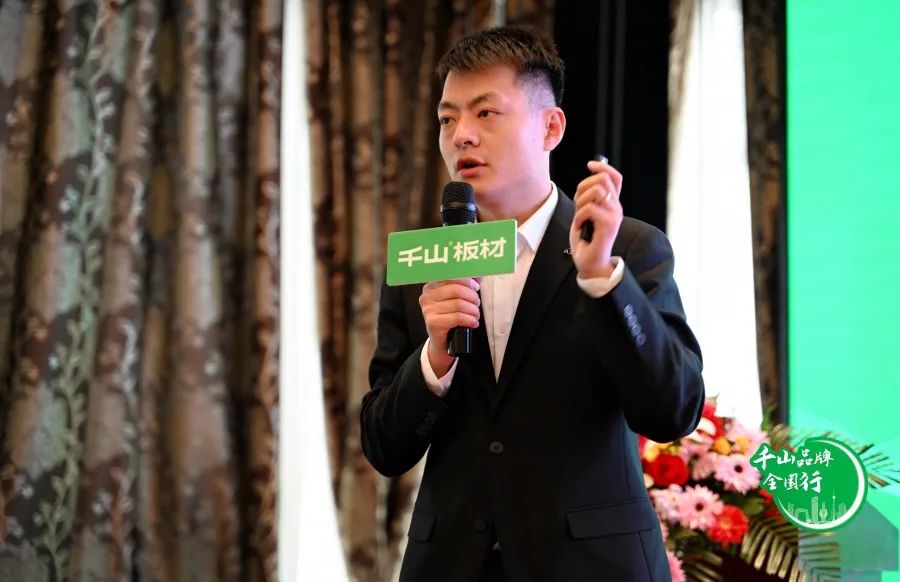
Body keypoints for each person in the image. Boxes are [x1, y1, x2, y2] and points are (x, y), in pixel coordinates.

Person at [361, 26, 704, 582]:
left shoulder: (626, 247)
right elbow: (383, 446)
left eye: (486, 113)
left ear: (551, 127)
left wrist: (603, 281)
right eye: (447, 119)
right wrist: (434, 360)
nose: (461, 136)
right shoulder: (423, 262)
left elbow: (673, 411)